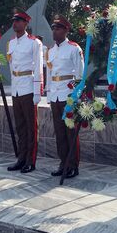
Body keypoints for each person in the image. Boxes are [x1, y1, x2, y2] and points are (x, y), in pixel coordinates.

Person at [46, 16, 84, 179]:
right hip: (55, 94)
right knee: (59, 132)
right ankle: (63, 163)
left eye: (58, 28)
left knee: (70, 132)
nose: (55, 31)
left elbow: (80, 74)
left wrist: (77, 97)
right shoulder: (51, 50)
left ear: (66, 30)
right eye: (54, 28)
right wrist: (48, 94)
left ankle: (73, 165)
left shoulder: (74, 48)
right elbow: (49, 73)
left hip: (68, 96)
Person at [6, 11, 43, 173]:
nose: (15, 24)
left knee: (30, 126)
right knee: (20, 126)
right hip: (17, 88)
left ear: (26, 24)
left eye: (19, 21)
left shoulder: (34, 43)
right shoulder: (11, 43)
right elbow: (11, 66)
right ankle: (21, 158)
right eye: (14, 21)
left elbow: (38, 68)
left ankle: (30, 160)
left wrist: (37, 91)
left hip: (28, 86)